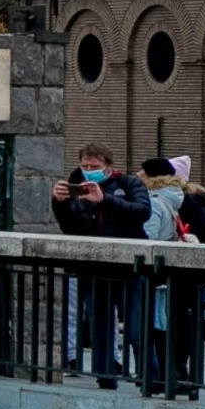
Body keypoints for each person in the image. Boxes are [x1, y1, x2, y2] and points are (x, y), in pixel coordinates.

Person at [53, 145, 148, 383]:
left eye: (94, 167)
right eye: (84, 167)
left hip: (128, 267)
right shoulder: (81, 191)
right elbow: (71, 226)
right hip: (93, 267)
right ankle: (105, 377)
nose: (88, 171)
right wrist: (60, 203)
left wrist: (105, 200)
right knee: (100, 327)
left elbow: (142, 212)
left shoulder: (128, 184)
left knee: (137, 327)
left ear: (108, 166)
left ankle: (150, 375)